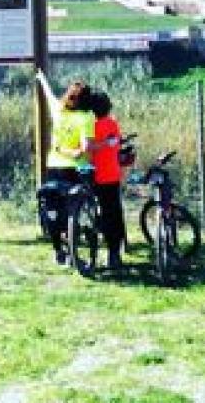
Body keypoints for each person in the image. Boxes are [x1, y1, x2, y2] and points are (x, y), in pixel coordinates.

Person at [35, 70, 96, 264]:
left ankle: (58, 250)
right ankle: (74, 242)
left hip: (54, 166)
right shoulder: (87, 117)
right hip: (76, 170)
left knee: (53, 209)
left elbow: (49, 95)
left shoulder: (58, 111)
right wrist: (73, 152)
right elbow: (84, 150)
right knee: (74, 209)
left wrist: (42, 78)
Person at [89, 90, 127, 269]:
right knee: (114, 213)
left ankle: (98, 247)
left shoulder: (91, 126)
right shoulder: (112, 124)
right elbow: (117, 143)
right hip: (112, 174)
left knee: (100, 213)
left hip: (96, 175)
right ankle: (114, 252)